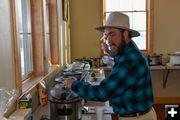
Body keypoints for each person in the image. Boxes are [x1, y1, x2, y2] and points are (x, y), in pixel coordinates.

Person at [65, 12, 157, 120]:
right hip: (136, 114)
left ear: (126, 34)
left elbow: (102, 93)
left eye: (112, 34)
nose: (108, 40)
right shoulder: (128, 50)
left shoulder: (130, 60)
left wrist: (74, 84)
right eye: (106, 35)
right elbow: (119, 58)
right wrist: (110, 52)